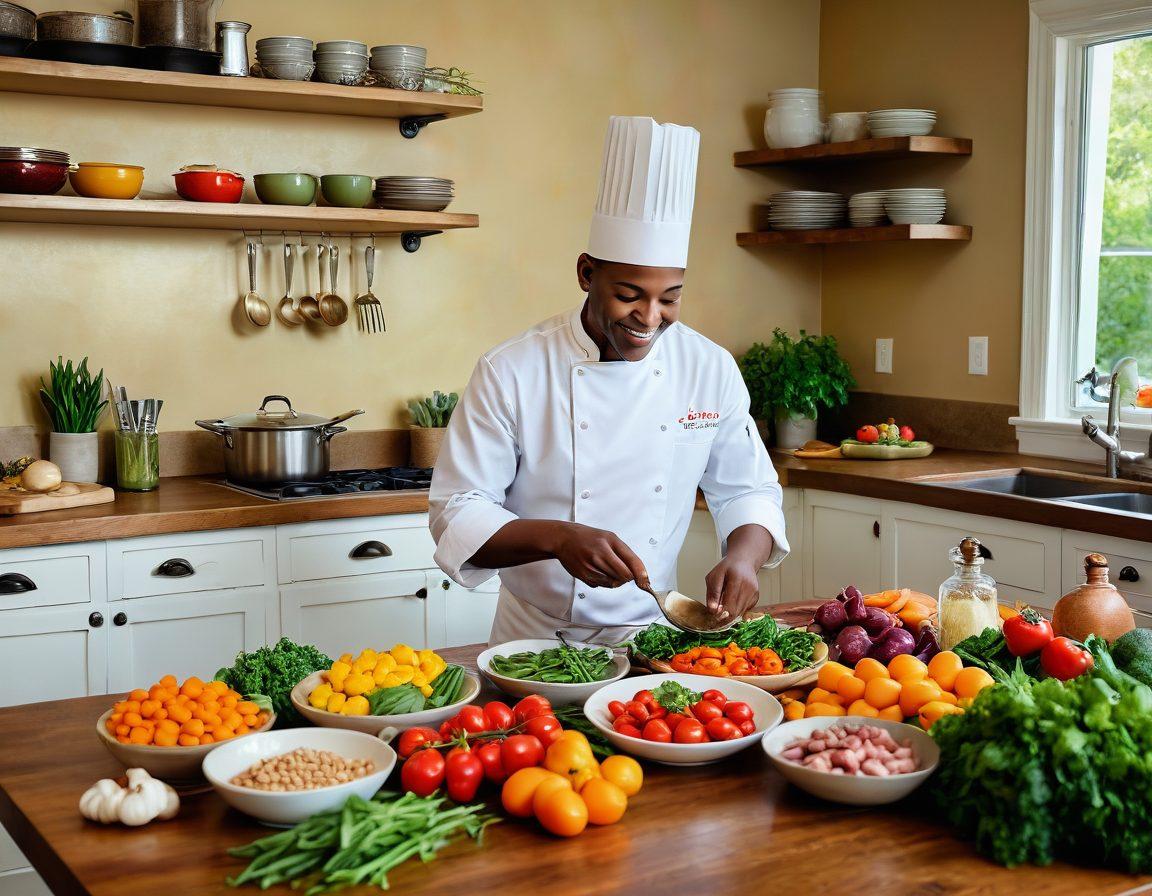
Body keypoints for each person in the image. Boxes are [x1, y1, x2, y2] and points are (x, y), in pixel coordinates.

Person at [429, 115, 789, 644]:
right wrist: (559, 538)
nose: (649, 318)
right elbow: (458, 511)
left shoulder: (707, 367)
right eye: (628, 295)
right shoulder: (512, 369)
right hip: (534, 640)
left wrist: (744, 557)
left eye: (669, 298)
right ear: (585, 274)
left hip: (654, 636)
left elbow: (748, 488)